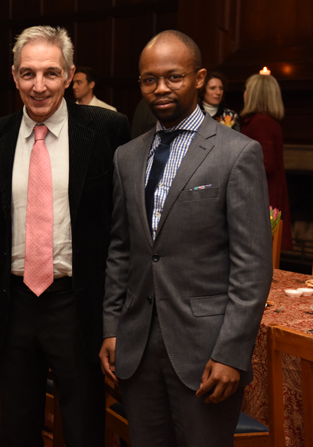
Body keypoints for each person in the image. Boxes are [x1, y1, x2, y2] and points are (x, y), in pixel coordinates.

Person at [99, 30, 272, 447]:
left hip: (206, 352)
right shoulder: (128, 155)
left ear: (199, 78)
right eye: (148, 79)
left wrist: (231, 352)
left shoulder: (237, 153)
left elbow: (252, 267)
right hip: (137, 348)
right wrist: (111, 327)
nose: (160, 89)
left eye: (173, 77)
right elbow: (121, 249)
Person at [0, 26, 130, 446]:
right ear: (13, 76)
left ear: (69, 74)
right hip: (15, 301)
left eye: (50, 73)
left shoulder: (108, 130)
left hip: (78, 301)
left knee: (83, 424)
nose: (39, 86)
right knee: (18, 424)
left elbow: (122, 226)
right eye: (28, 74)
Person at [240, 73, 292, 250]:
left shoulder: (260, 122)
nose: (244, 93)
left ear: (255, 93)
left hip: (262, 197)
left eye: (246, 89)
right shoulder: (267, 121)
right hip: (265, 195)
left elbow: (266, 164)